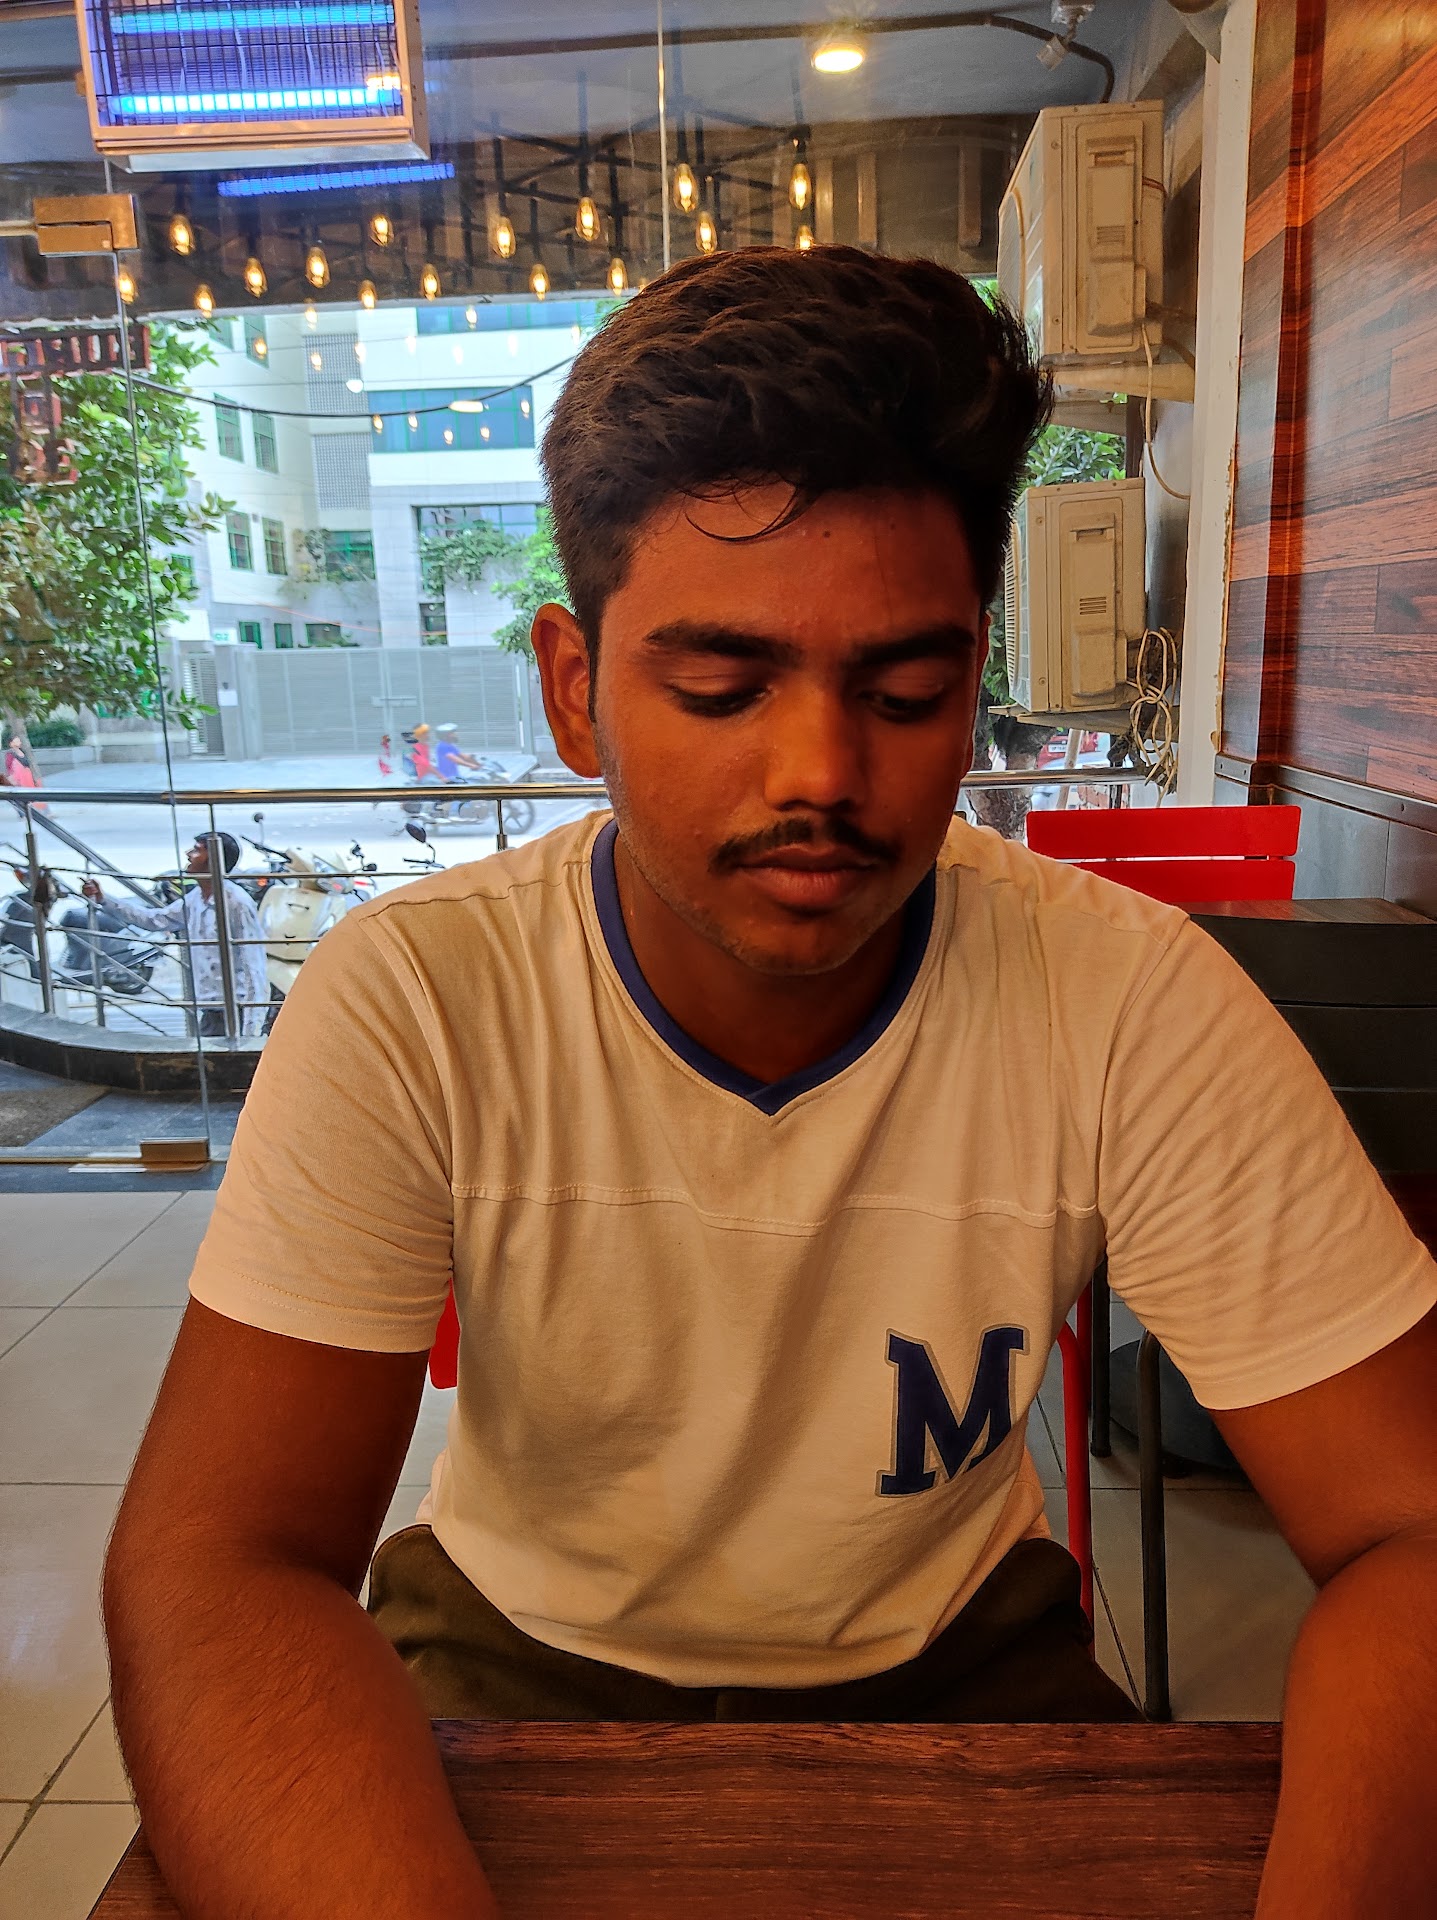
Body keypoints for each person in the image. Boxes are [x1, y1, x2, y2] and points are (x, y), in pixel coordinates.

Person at [104, 247, 1437, 1919]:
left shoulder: (1126, 994)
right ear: (575, 691)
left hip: (959, 1656)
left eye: (906, 693)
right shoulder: (419, 995)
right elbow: (220, 1559)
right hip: (516, 1647)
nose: (821, 773)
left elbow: (1409, 1528)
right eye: (721, 689)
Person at [83, 831, 269, 1038]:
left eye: (197, 851)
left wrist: (251, 1030)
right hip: (212, 1008)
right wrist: (104, 899)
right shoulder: (196, 898)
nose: (188, 855)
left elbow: (254, 966)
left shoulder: (236, 903)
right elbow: (155, 920)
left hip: (237, 1008)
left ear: (213, 860)